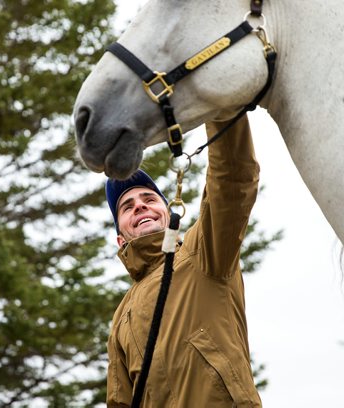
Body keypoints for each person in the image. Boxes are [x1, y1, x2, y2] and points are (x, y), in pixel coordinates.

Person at [104, 114, 262, 407]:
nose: (140, 205)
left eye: (149, 200)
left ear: (170, 213)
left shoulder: (202, 253)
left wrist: (221, 106)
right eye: (127, 206)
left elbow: (232, 181)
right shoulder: (121, 319)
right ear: (120, 239)